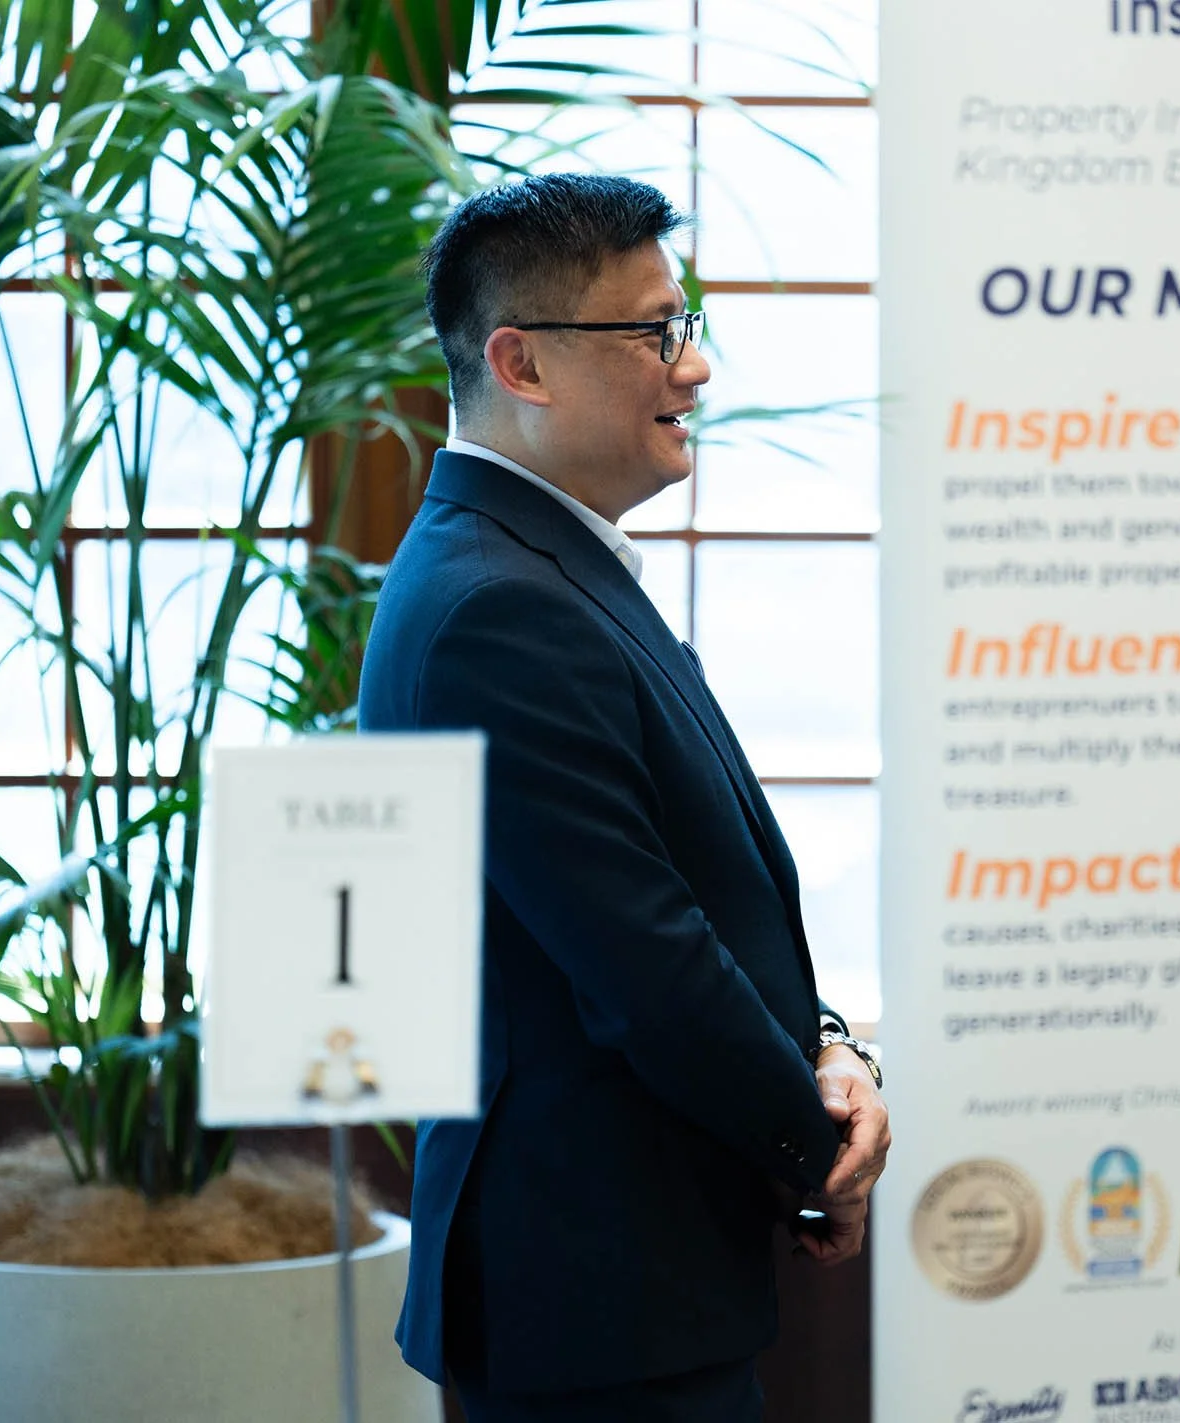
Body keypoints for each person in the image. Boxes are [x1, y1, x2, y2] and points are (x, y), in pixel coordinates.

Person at [356, 173, 890, 1422]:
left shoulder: (541, 561)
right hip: (589, 1303)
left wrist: (827, 1048)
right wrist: (820, 1154)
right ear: (522, 363)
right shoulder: (498, 606)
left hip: (631, 1291)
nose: (692, 367)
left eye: (685, 322)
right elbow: (644, 961)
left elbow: (702, 886)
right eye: (655, 331)